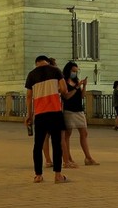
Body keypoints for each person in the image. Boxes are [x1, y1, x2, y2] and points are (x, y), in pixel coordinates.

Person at [25, 54, 70, 183]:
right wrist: (55, 90)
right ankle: (58, 175)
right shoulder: (55, 70)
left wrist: (29, 115)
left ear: (36, 63)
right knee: (56, 144)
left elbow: (29, 97)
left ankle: (38, 175)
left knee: (38, 145)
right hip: (55, 112)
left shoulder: (31, 75)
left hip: (40, 113)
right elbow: (64, 90)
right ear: (47, 62)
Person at [60, 61, 98, 167]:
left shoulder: (76, 81)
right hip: (69, 110)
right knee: (67, 135)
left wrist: (84, 86)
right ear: (68, 70)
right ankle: (68, 158)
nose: (75, 73)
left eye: (76, 71)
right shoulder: (64, 81)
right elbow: (66, 96)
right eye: (73, 71)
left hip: (79, 110)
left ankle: (88, 157)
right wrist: (76, 88)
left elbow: (81, 96)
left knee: (84, 133)